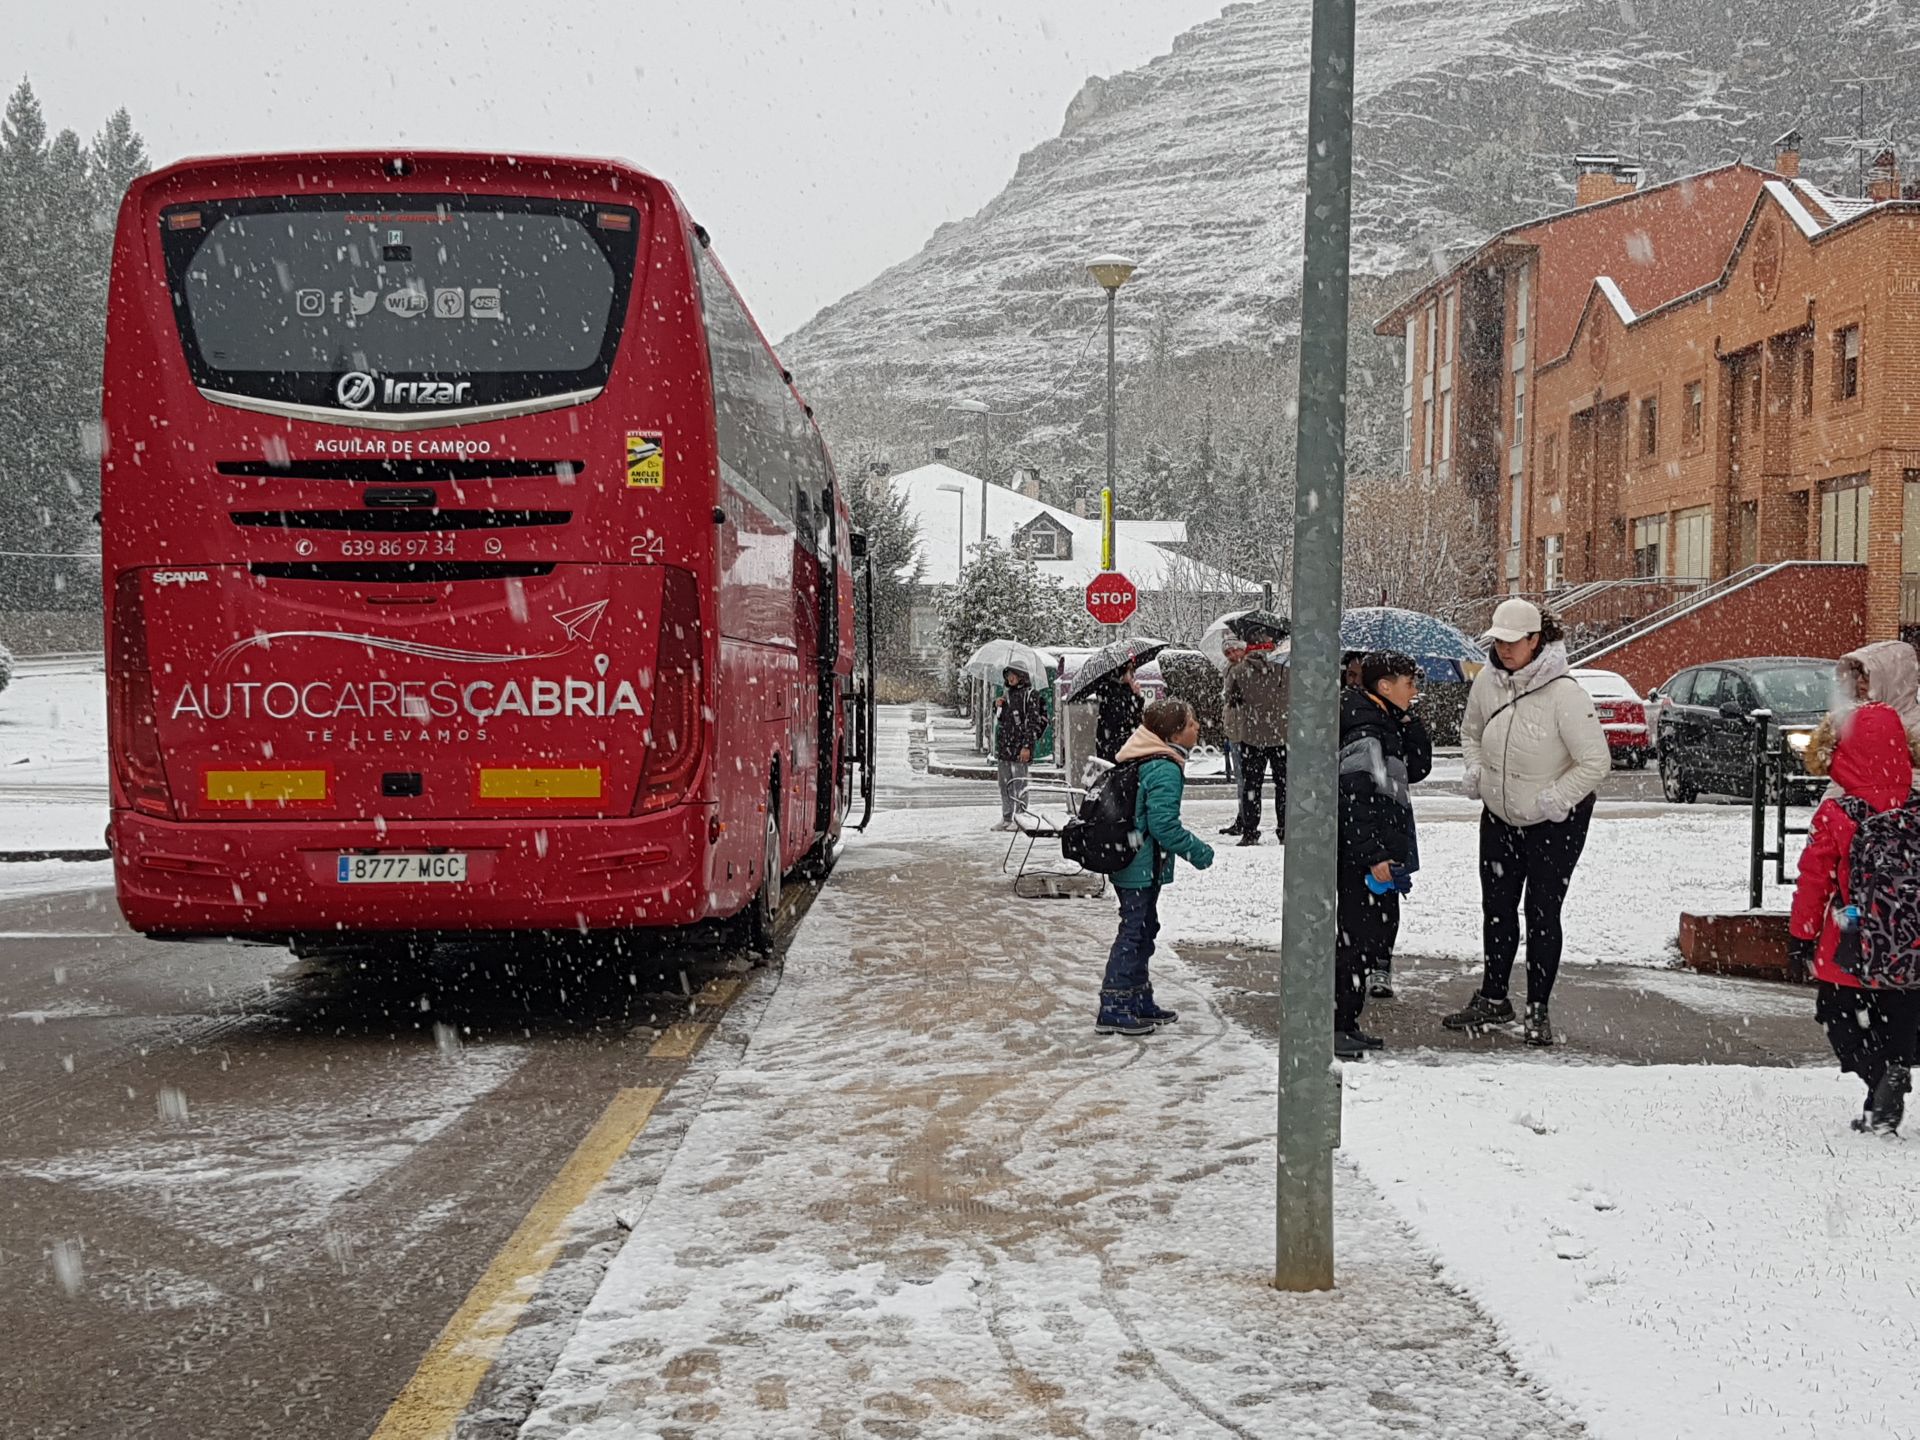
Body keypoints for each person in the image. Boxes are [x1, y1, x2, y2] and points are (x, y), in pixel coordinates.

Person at [1443, 599, 1609, 1046]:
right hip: (1498, 817)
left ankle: (1538, 1010)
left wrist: (1554, 800)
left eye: (1513, 641)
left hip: (1554, 826)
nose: (1504, 649)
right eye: (1498, 640)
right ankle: (1494, 997)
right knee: (1496, 910)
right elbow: (1471, 732)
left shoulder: (1565, 694)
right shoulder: (1487, 684)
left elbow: (1595, 762)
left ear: (1536, 640)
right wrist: (1476, 771)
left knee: (1541, 912)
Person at [1789, 702, 1920, 1135]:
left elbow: (1815, 882)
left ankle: (1879, 1075)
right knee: (1898, 1017)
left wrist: (1801, 935)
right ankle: (1891, 1078)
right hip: (1908, 946)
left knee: (1838, 1017)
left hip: (1851, 941)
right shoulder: (1917, 809)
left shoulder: (1838, 814)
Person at [1096, 696, 1216, 1035]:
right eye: (1191, 723)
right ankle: (1115, 1003)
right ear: (1175, 733)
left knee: (1145, 928)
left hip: (1132, 859)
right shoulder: (1163, 766)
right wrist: (1199, 852)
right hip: (1139, 864)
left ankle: (1137, 997)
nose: (1197, 727)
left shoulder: (1145, 757)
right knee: (1135, 931)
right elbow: (1163, 826)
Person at [1335, 651, 1432, 1057]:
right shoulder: (1365, 728)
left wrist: (1409, 721)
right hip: (1363, 856)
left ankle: (1345, 1020)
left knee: (1368, 932)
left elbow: (1417, 767)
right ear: (1384, 687)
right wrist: (1373, 854)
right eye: (1409, 684)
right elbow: (1356, 799)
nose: (1415, 692)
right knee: (1356, 937)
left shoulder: (1383, 720)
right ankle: (1338, 1022)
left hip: (1374, 850)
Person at [1805, 640, 1920, 796]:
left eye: (1867, 674)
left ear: (1891, 679)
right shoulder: (1852, 722)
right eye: (1856, 673)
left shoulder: (1914, 726)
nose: (1859, 681)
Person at [1225, 631, 1289, 846]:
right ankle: (1284, 829)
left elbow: (1231, 700)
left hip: (1251, 735)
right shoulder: (1285, 668)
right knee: (1284, 785)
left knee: (1252, 785)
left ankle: (1250, 830)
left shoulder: (1239, 670)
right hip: (1281, 734)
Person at [991, 664, 1049, 833]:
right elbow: (1002, 720)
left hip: (1020, 746)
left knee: (1019, 783)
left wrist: (1027, 746)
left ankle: (1020, 816)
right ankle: (1007, 816)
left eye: (1013, 674)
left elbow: (1032, 723)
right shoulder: (1007, 694)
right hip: (1005, 747)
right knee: (1004, 784)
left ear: (1021, 675)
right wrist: (998, 706)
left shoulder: (1030, 695)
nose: (1010, 678)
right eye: (1008, 674)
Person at [1219, 638, 1249, 835]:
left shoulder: (1244, 670)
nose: (1231, 655)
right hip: (1235, 729)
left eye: (1233, 651)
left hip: (1243, 729)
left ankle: (1245, 817)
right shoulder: (1229, 670)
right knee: (1242, 779)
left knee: (1244, 779)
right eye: (1227, 652)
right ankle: (1243, 816)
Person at [1093, 660, 1145, 763]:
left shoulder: (1122, 689)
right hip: (1116, 748)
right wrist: (1135, 698)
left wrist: (1137, 696)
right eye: (1130, 671)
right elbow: (1127, 719)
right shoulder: (1114, 693)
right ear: (1121, 672)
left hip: (1118, 746)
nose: (1133, 674)